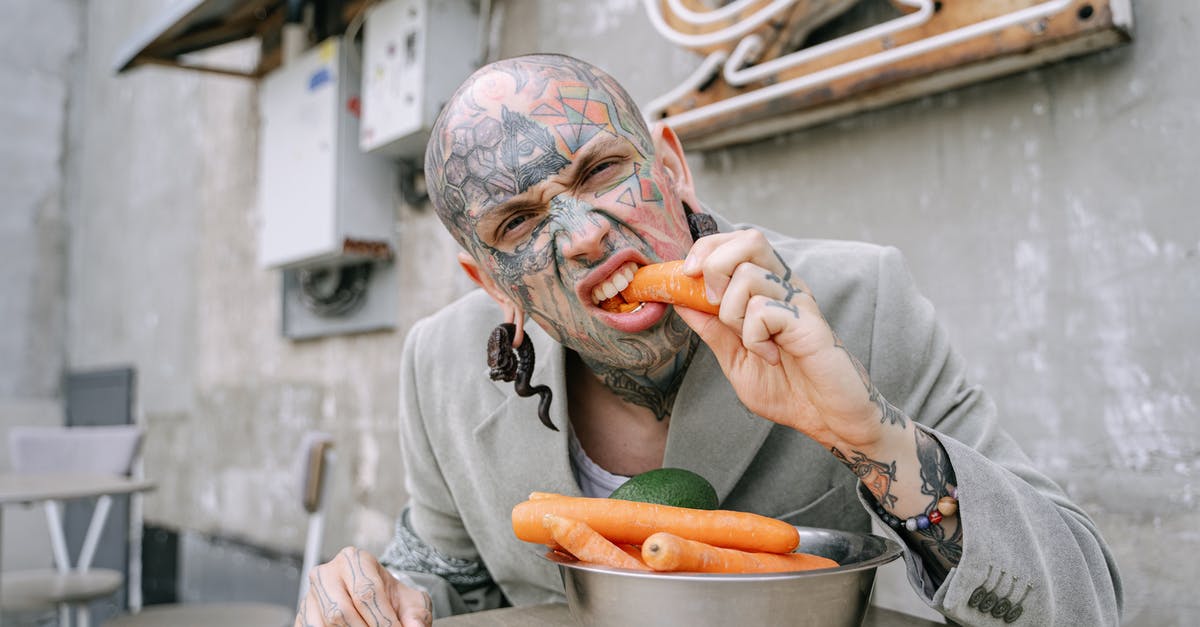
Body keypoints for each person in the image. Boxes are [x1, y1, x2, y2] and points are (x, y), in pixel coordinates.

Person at [295, 54, 1121, 627]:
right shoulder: (439, 367)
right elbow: (448, 578)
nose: (585, 237)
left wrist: (869, 435)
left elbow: (1085, 602)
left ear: (673, 167)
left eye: (600, 172)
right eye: (517, 221)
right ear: (489, 281)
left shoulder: (859, 302)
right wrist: (375, 591)